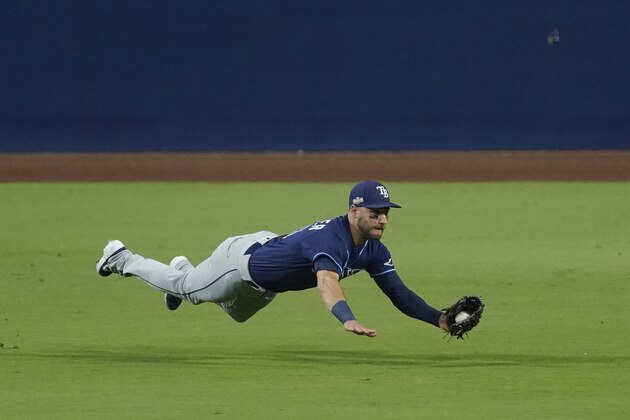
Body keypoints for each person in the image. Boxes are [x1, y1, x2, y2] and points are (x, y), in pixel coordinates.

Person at [96, 180, 450, 337]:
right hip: (241, 263)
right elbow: (326, 281)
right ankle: (122, 257)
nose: (383, 219)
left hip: (267, 275)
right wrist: (346, 318)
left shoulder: (374, 250)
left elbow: (399, 294)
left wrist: (440, 320)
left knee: (237, 316)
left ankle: (186, 271)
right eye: (375, 212)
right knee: (190, 290)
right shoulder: (333, 239)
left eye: (386, 212)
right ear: (354, 210)